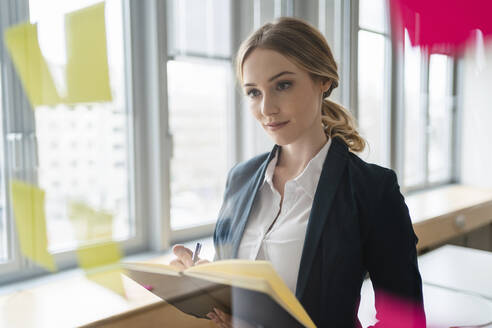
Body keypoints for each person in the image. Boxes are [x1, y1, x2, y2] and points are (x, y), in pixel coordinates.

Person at [171, 17, 425, 327]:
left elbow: (405, 320)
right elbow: (237, 293)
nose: (267, 108)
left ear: (323, 81)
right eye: (254, 92)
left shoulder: (372, 190)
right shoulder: (239, 180)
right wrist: (208, 287)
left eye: (283, 85)